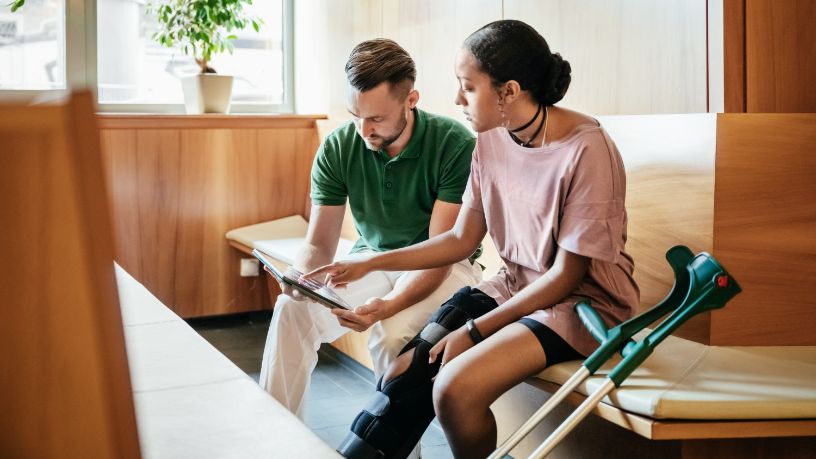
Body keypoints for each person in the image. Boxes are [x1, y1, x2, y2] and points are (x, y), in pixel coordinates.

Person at [307, 20, 640, 459]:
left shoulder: (587, 149)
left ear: (509, 91)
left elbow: (565, 276)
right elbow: (461, 239)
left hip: (582, 306)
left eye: (467, 87)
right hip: (515, 287)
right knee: (405, 371)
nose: (457, 99)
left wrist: (474, 329)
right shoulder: (491, 140)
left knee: (453, 388)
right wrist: (370, 262)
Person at [258, 38, 482, 421]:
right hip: (370, 260)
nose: (364, 130)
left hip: (446, 266)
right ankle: (277, 434)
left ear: (411, 100)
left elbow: (440, 253)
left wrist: (387, 306)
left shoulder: (454, 144)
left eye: (376, 119)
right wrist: (301, 277)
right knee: (291, 310)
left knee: (392, 334)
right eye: (355, 115)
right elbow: (319, 242)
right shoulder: (338, 147)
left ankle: (386, 446)